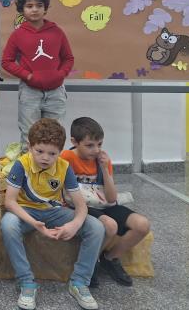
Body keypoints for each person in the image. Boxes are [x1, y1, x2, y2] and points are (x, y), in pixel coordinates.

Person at [1, 118, 104, 310]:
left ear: (60, 152)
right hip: (26, 211)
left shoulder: (64, 167)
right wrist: (34, 223)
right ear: (30, 147)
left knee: (96, 227)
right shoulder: (21, 165)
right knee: (8, 224)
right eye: (39, 151)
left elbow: (81, 207)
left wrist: (74, 224)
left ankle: (80, 282)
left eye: (52, 153)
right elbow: (10, 202)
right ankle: (26, 282)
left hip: (54, 211)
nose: (45, 158)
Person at [61, 117, 151, 288]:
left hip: (103, 204)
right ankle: (90, 263)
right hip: (80, 206)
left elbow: (111, 198)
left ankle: (109, 258)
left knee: (142, 225)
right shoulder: (66, 157)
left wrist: (104, 168)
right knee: (110, 226)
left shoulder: (102, 160)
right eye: (89, 145)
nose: (96, 150)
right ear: (74, 142)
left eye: (100, 144)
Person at [1, 0, 74, 150]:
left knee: (55, 135)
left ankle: (54, 167)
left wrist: (60, 74)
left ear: (45, 8)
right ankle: (28, 167)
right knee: (29, 136)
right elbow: (7, 61)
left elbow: (68, 58)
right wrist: (27, 76)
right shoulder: (17, 34)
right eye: (29, 6)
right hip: (29, 92)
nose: (34, 9)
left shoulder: (57, 32)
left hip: (56, 93)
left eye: (39, 5)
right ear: (22, 9)